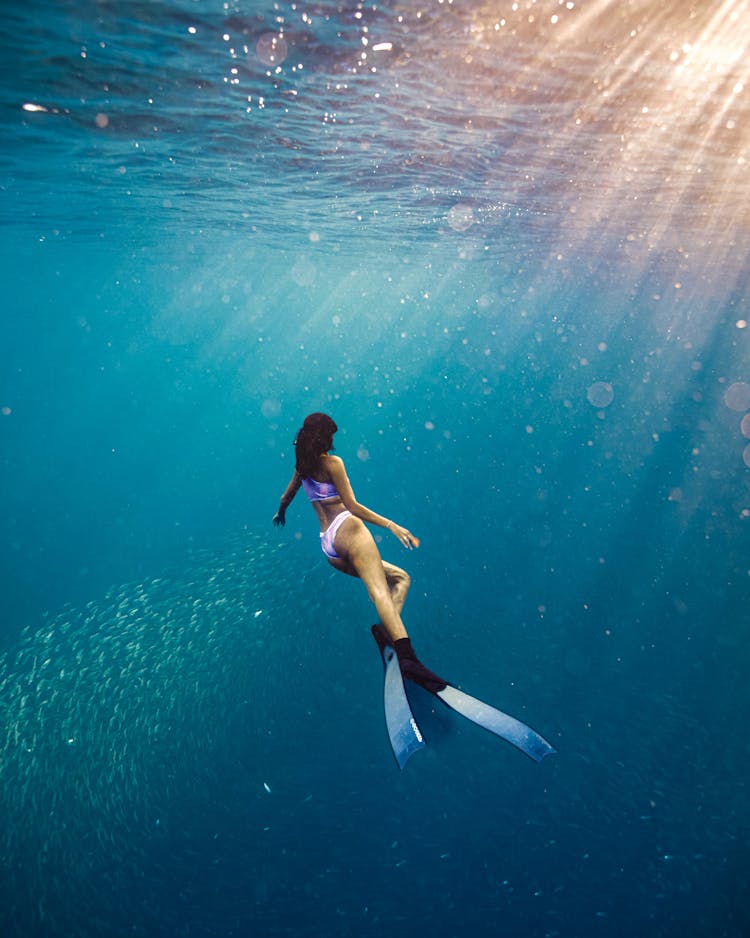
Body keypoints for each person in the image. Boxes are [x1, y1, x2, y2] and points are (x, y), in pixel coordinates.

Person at [273, 412, 445, 692]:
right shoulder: (332, 463)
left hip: (328, 546)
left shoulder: (302, 466)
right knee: (379, 591)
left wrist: (281, 514)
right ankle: (409, 659)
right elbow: (352, 506)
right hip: (348, 530)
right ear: (325, 437)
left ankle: (384, 634)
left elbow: (285, 497)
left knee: (400, 579)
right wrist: (391, 525)